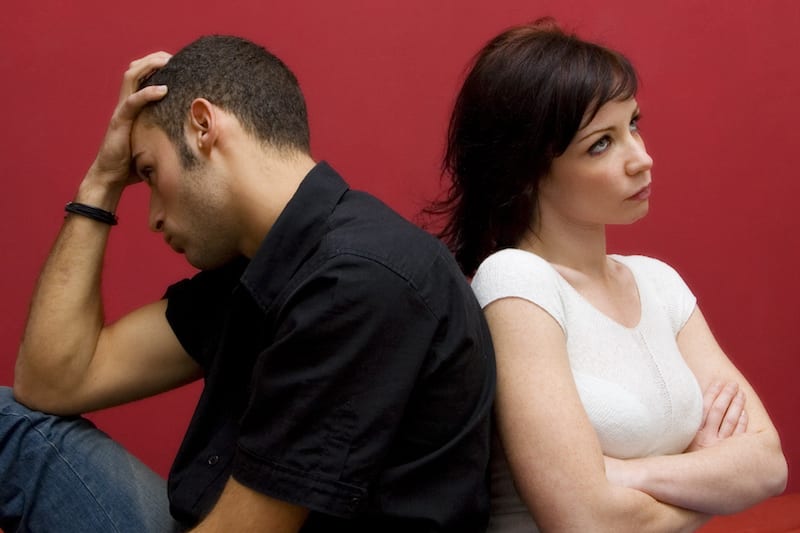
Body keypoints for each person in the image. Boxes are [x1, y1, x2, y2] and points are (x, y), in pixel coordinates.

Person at [2, 35, 495, 532]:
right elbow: (51, 381)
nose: (151, 217)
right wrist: (101, 180)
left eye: (148, 172)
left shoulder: (357, 279)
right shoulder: (263, 264)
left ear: (203, 126)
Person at [430, 18, 787, 532]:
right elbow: (585, 521)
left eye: (634, 125)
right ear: (528, 171)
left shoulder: (658, 283)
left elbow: (768, 464)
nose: (642, 159)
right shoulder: (516, 281)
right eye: (602, 143)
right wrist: (712, 484)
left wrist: (623, 474)